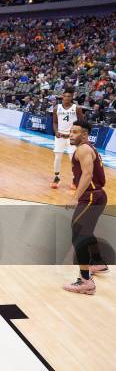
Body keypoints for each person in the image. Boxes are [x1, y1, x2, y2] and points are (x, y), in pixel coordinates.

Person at [63, 120, 109, 295]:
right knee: (85, 231)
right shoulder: (88, 147)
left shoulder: (83, 149)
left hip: (90, 196)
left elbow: (88, 174)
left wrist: (75, 198)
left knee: (78, 234)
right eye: (71, 131)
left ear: (84, 134)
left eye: (75, 132)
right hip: (97, 195)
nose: (71, 134)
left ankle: (85, 281)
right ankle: (98, 262)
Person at [52, 88, 85, 189]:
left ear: (72, 97)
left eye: (69, 96)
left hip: (72, 138)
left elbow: (81, 123)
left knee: (73, 159)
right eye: (65, 96)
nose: (67, 98)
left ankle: (75, 179)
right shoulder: (56, 108)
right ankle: (56, 177)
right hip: (60, 136)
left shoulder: (77, 108)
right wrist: (56, 131)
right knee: (57, 158)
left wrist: (78, 135)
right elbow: (55, 122)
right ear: (62, 96)